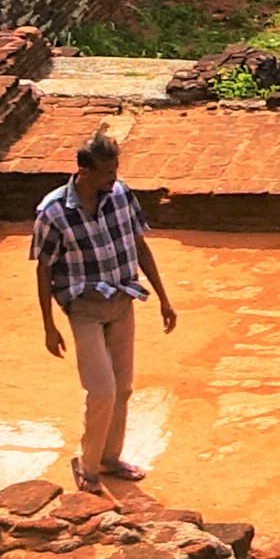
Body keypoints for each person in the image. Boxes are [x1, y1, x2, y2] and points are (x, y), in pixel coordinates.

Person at [32, 128, 179, 487]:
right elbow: (44, 269)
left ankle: (110, 458)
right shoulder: (52, 213)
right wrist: (49, 326)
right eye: (106, 172)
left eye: (115, 170)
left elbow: (139, 245)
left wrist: (163, 296)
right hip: (84, 307)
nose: (113, 178)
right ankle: (88, 465)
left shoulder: (121, 194)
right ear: (84, 171)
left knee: (123, 387)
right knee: (102, 390)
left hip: (122, 299)